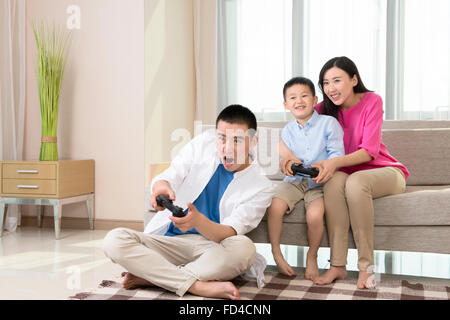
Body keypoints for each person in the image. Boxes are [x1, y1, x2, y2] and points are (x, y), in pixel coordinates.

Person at [103, 104, 274, 300]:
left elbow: (229, 232)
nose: (226, 148)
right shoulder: (202, 145)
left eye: (237, 140)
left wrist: (198, 222)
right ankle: (195, 286)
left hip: (212, 249)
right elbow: (172, 174)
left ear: (253, 142)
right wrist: (161, 186)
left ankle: (154, 277)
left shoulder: (262, 186)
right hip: (169, 242)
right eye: (221, 138)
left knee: (244, 249)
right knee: (114, 240)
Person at [280, 56, 409, 289]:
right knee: (334, 182)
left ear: (354, 79)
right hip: (345, 173)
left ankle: (366, 268)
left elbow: (369, 151)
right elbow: (290, 127)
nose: (331, 88)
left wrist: (333, 162)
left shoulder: (372, 101)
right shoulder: (324, 109)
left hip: (385, 171)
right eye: (325, 83)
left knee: (355, 182)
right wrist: (287, 155)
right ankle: (338, 266)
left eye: (337, 80)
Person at [267, 77, 344, 280]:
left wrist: (326, 166)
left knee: (314, 216)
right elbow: (287, 158)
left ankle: (312, 256)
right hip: (295, 181)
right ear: (286, 105)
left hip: (320, 183)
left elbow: (337, 155)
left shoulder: (329, 123)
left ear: (314, 99)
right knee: (274, 206)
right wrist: (288, 164)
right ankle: (276, 253)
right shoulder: (288, 130)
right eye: (292, 97)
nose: (299, 101)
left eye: (304, 96)